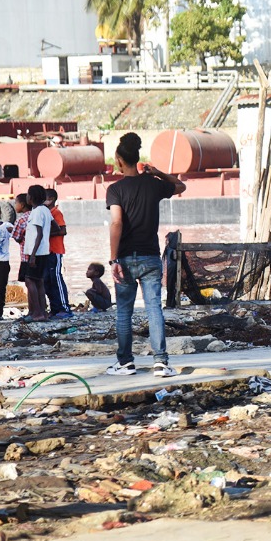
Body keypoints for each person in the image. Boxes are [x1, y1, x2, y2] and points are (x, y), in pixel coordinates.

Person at [106, 132, 186, 377]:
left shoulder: (115, 189)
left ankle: (125, 363)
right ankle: (161, 362)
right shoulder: (153, 184)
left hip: (126, 258)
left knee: (124, 312)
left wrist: (113, 259)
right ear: (138, 158)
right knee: (154, 309)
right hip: (151, 257)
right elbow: (181, 185)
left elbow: (116, 223)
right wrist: (158, 172)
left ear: (119, 160)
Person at [22, 185, 53, 321]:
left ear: (32, 197)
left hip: (37, 252)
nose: (27, 197)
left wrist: (33, 255)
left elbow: (39, 234)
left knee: (30, 280)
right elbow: (55, 226)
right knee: (39, 281)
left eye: (28, 194)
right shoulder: (45, 210)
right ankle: (43, 312)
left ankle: (37, 313)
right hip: (44, 250)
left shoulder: (36, 212)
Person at [42, 187, 72, 318]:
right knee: (47, 280)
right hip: (47, 251)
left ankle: (65, 308)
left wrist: (45, 233)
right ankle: (55, 308)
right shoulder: (47, 212)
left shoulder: (56, 213)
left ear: (51, 199)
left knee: (57, 278)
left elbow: (62, 230)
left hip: (55, 250)